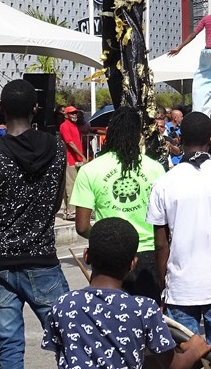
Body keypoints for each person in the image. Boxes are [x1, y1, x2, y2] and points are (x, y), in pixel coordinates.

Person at [0, 79, 70, 369]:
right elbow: (55, 203)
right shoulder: (56, 148)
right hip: (42, 260)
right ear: (35, 109)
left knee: (10, 349)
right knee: (69, 343)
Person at [41, 218, 211, 369]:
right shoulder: (143, 309)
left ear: (86, 256)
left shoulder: (63, 305)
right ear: (133, 264)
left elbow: (62, 355)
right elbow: (175, 367)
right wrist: (195, 349)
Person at [147, 111, 211, 369]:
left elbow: (160, 244)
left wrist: (163, 286)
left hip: (180, 287)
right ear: (210, 139)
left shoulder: (165, 182)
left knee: (186, 358)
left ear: (180, 138)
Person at [71, 106, 167, 302]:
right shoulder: (156, 169)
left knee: (108, 323)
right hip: (147, 254)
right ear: (139, 136)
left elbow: (81, 226)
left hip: (107, 255)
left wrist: (100, 238)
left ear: (110, 134)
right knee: (146, 324)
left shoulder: (90, 170)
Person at [58, 105, 85, 221]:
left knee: (74, 185)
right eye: (72, 113)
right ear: (66, 115)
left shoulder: (74, 126)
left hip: (76, 159)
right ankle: (70, 212)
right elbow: (70, 143)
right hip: (70, 159)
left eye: (75, 113)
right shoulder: (64, 126)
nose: (75, 115)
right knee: (70, 186)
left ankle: (70, 211)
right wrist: (82, 156)